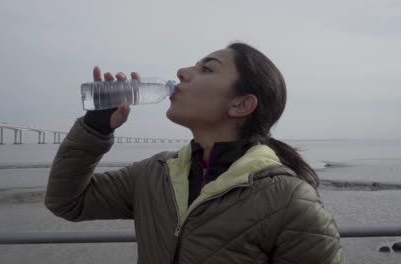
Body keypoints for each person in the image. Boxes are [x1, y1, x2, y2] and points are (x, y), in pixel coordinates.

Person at [45, 42, 345, 263]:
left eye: (206, 68)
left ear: (240, 105)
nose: (182, 72)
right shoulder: (153, 174)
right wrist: (95, 128)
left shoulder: (289, 201)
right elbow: (68, 202)